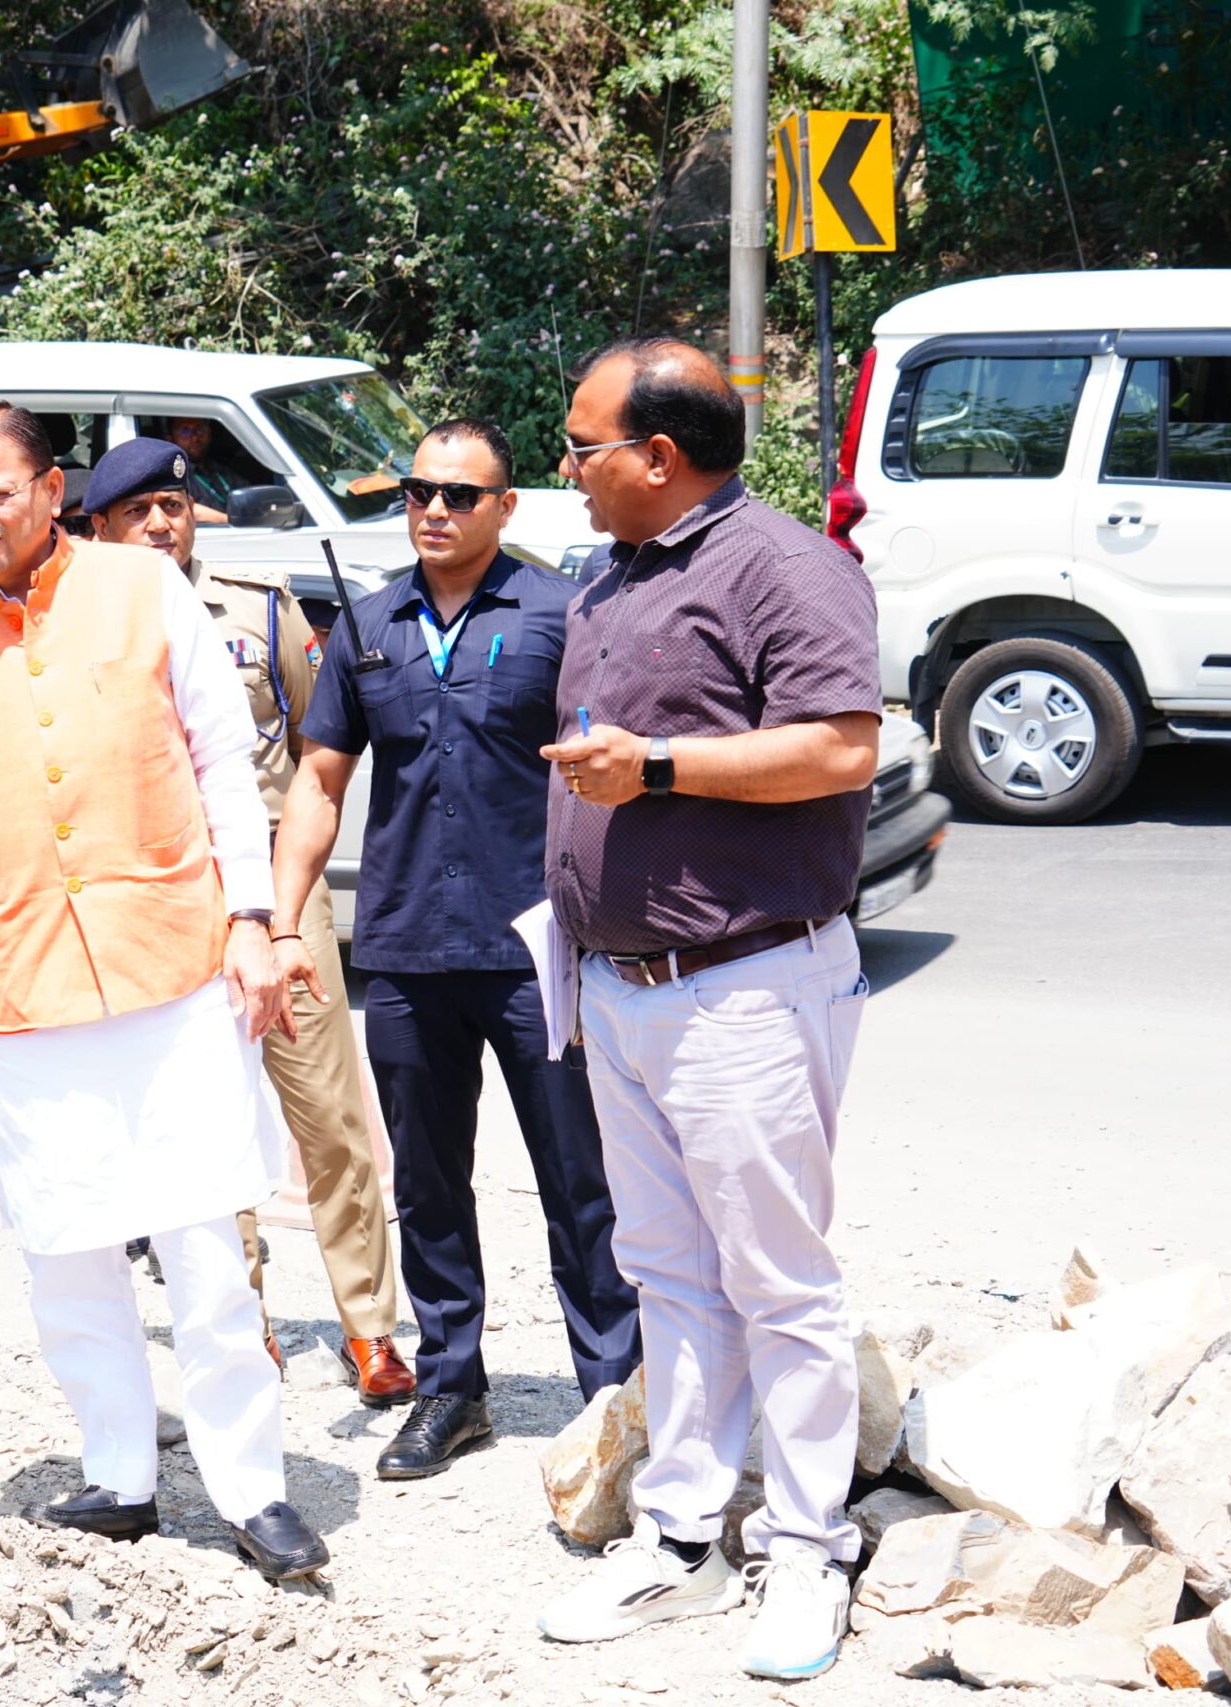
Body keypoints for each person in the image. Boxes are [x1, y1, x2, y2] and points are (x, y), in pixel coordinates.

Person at [0, 399, 331, 1581]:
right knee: (65, 1249)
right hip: (18, 993)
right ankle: (120, 1473)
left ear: (52, 491)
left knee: (206, 1252)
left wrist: (251, 920)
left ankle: (251, 1489)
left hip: (174, 971)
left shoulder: (143, 591)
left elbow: (223, 763)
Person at [528, 338, 881, 1682]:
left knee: (776, 1281)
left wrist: (660, 766)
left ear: (659, 456)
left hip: (743, 986)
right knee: (669, 1273)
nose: (569, 468)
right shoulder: (614, 573)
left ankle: (809, 1545)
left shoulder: (787, 569)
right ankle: (682, 1533)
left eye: (583, 447)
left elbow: (843, 745)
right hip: (621, 986)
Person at [271, 419, 641, 1482]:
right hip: (403, 948)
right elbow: (320, 783)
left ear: (505, 507)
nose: (435, 509)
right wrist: (284, 921)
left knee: (579, 1176)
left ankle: (614, 1394)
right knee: (428, 1182)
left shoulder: (560, 614)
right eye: (419, 491)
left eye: (461, 495)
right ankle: (451, 1385)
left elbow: (608, 771)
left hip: (533, 945)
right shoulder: (369, 621)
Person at [83, 435, 415, 1410]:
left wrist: (287, 892)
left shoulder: (259, 609)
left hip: (274, 882)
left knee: (329, 1111)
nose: (160, 524)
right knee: (202, 1121)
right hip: (162, 895)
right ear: (98, 529)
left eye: (174, 507)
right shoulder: (76, 626)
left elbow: (318, 749)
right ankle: (243, 1318)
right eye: (137, 512)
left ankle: (370, 1326)